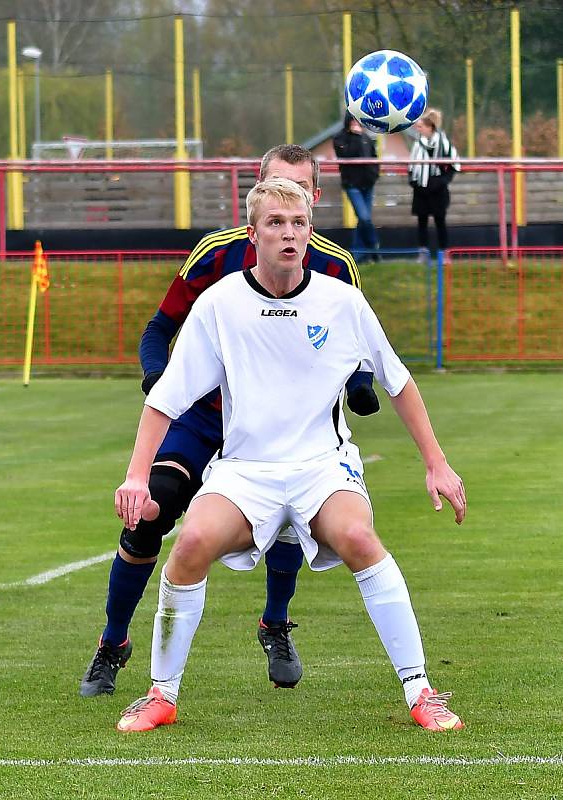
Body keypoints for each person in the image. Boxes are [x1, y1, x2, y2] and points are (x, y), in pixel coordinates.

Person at [113, 178, 466, 735]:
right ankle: (161, 694)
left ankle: (421, 691)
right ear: (253, 233)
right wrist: (136, 476)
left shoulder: (342, 301)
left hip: (323, 466)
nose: (289, 234)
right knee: (191, 544)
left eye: (299, 224)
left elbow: (397, 382)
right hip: (245, 469)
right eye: (275, 223)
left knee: (358, 539)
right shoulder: (220, 303)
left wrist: (436, 463)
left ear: (309, 231)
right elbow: (166, 397)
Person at [79, 144, 381, 698]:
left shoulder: (337, 266)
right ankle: (113, 641)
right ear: (255, 198)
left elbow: (357, 348)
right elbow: (157, 329)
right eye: (275, 190)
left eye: (300, 194)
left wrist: (361, 387)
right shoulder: (215, 256)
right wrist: (161, 381)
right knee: (150, 510)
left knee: (295, 512)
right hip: (205, 422)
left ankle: (275, 623)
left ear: (314, 200)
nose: (288, 208)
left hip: (284, 429)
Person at [408, 108, 460, 262]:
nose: (418, 130)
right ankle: (423, 252)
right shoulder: (418, 145)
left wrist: (442, 181)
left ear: (430, 127)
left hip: (438, 189)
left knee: (440, 221)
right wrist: (413, 181)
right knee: (422, 221)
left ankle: (444, 253)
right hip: (421, 188)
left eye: (421, 127)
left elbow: (454, 164)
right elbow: (411, 166)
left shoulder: (444, 144)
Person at [333, 111, 381, 264]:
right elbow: (347, 155)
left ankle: (357, 254)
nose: (356, 124)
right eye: (352, 121)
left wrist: (374, 175)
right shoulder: (340, 138)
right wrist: (356, 137)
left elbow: (373, 158)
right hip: (352, 184)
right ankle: (374, 247)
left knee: (363, 220)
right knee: (365, 218)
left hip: (368, 183)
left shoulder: (366, 138)